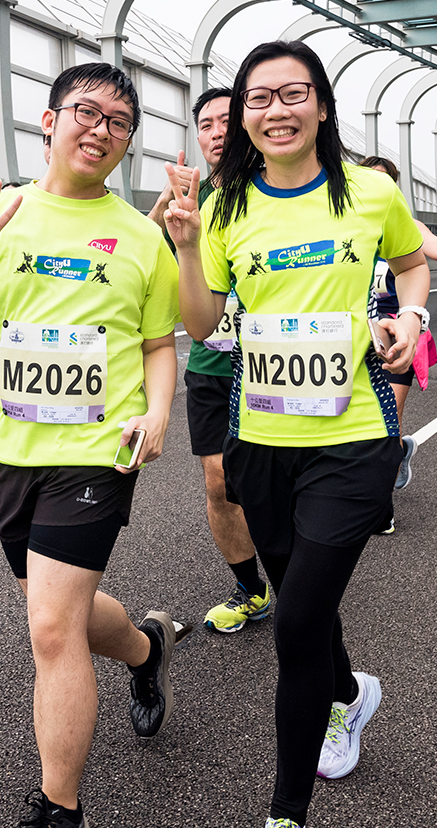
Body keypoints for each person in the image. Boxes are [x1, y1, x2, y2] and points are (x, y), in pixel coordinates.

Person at [0, 64, 179, 828]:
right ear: (49, 121)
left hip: (97, 450)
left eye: (118, 122)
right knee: (62, 610)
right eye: (86, 113)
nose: (100, 129)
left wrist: (159, 413)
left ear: (127, 142)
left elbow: (161, 343)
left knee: (51, 629)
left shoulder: (140, 237)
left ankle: (60, 807)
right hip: (12, 448)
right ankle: (147, 650)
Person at [165, 40, 430, 828]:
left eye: (292, 93)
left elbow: (414, 264)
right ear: (243, 115)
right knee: (301, 601)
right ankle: (349, 691)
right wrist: (184, 242)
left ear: (321, 105)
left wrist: (409, 317)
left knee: (295, 621)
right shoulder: (225, 206)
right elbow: (202, 321)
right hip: (262, 438)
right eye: (258, 98)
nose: (275, 110)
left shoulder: (372, 191)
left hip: (354, 437)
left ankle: (286, 811)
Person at [149, 87, 273, 635]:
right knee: (219, 480)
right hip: (213, 362)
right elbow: (143, 254)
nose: (218, 131)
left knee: (280, 483)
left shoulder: (276, 191)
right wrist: (163, 209)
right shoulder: (191, 199)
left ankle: (302, 577)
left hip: (278, 366)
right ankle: (252, 589)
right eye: (206, 124)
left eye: (228, 119)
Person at [359, 156, 437, 500]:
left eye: (382, 181)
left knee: (386, 416)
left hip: (399, 338)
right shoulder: (343, 226)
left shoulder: (407, 224)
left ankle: (382, 503)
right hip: (354, 338)